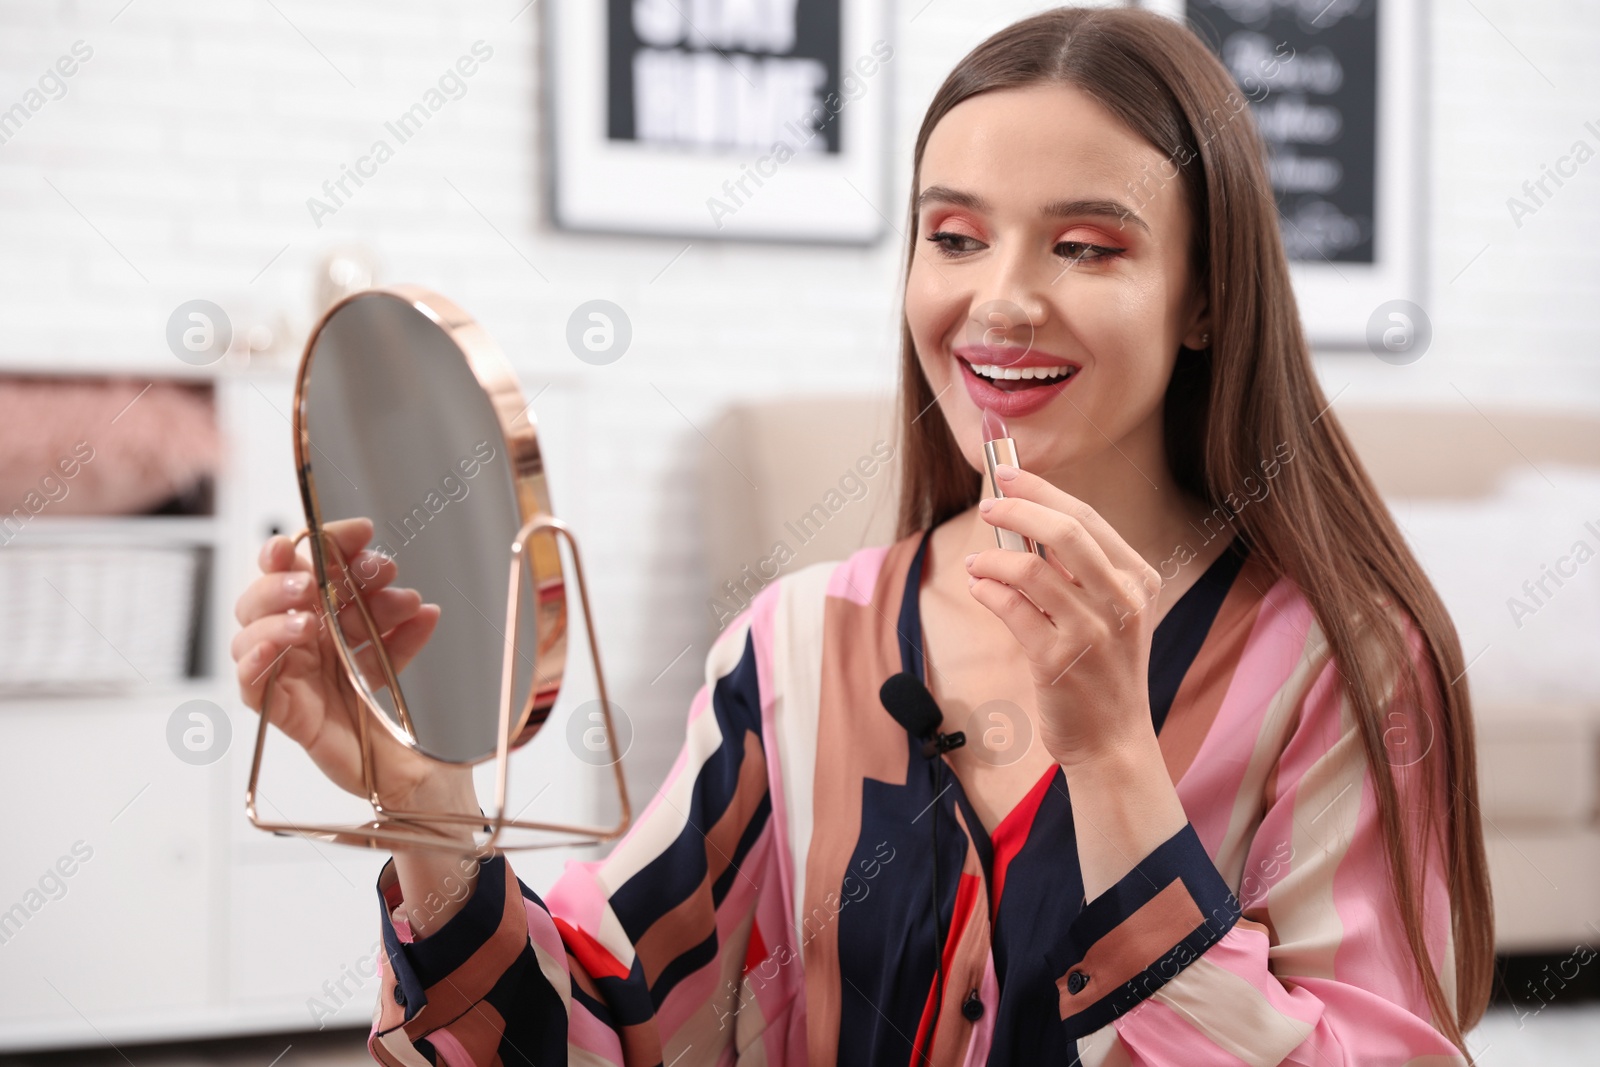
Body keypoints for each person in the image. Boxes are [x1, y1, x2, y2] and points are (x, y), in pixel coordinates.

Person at [232, 7, 1493, 1064]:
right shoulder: (792, 645)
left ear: (1206, 294)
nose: (998, 298)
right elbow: (598, 1024)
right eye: (953, 237)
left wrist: (1113, 758)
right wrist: (426, 797)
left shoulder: (1346, 665)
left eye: (1085, 246)